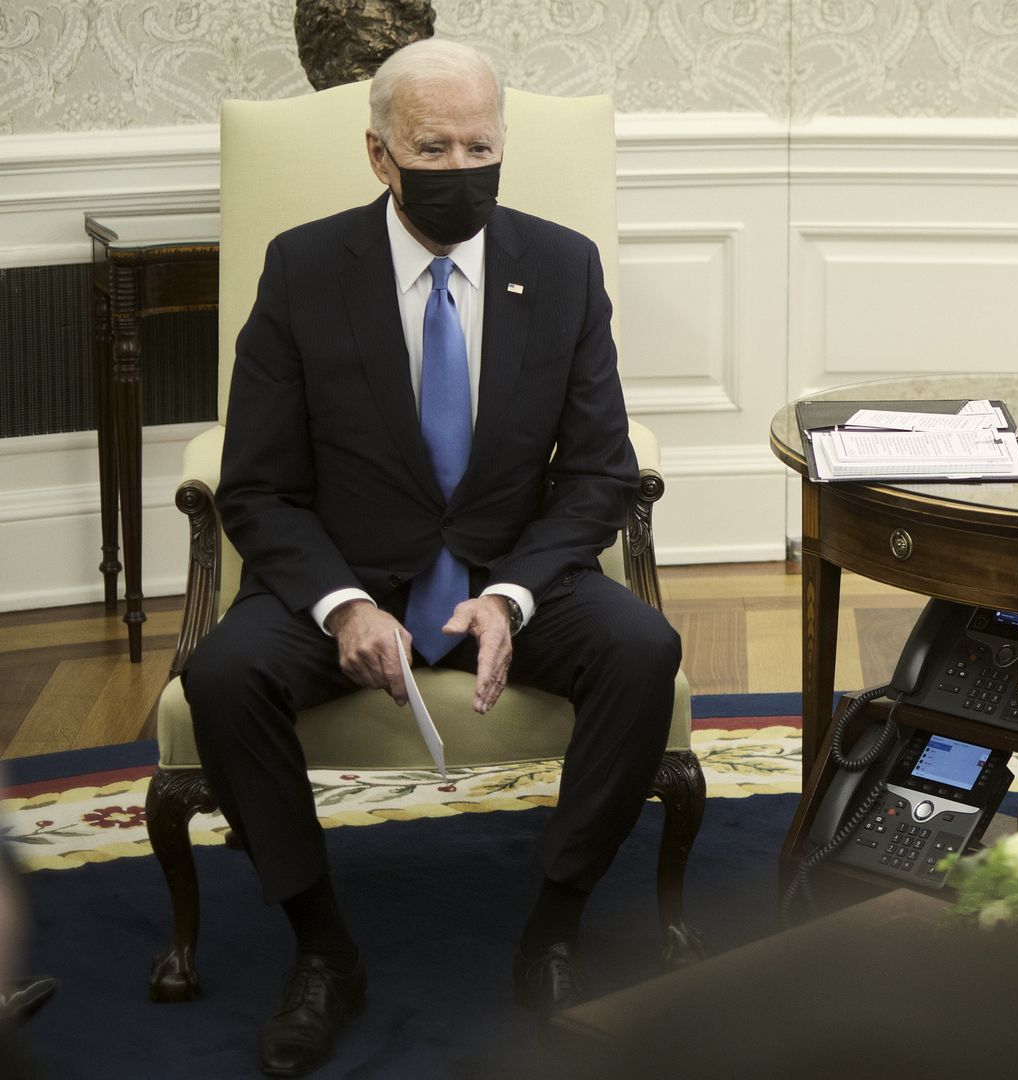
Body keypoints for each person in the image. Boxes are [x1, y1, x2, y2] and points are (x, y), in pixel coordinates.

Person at [181, 38, 681, 1077]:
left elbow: (599, 473)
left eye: (481, 144)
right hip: (353, 572)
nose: (461, 166)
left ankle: (551, 928)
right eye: (432, 145)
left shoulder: (563, 265)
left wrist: (511, 594)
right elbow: (257, 486)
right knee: (222, 675)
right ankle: (322, 949)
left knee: (642, 648)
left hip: (514, 570)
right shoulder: (306, 267)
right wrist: (340, 606)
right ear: (379, 155)